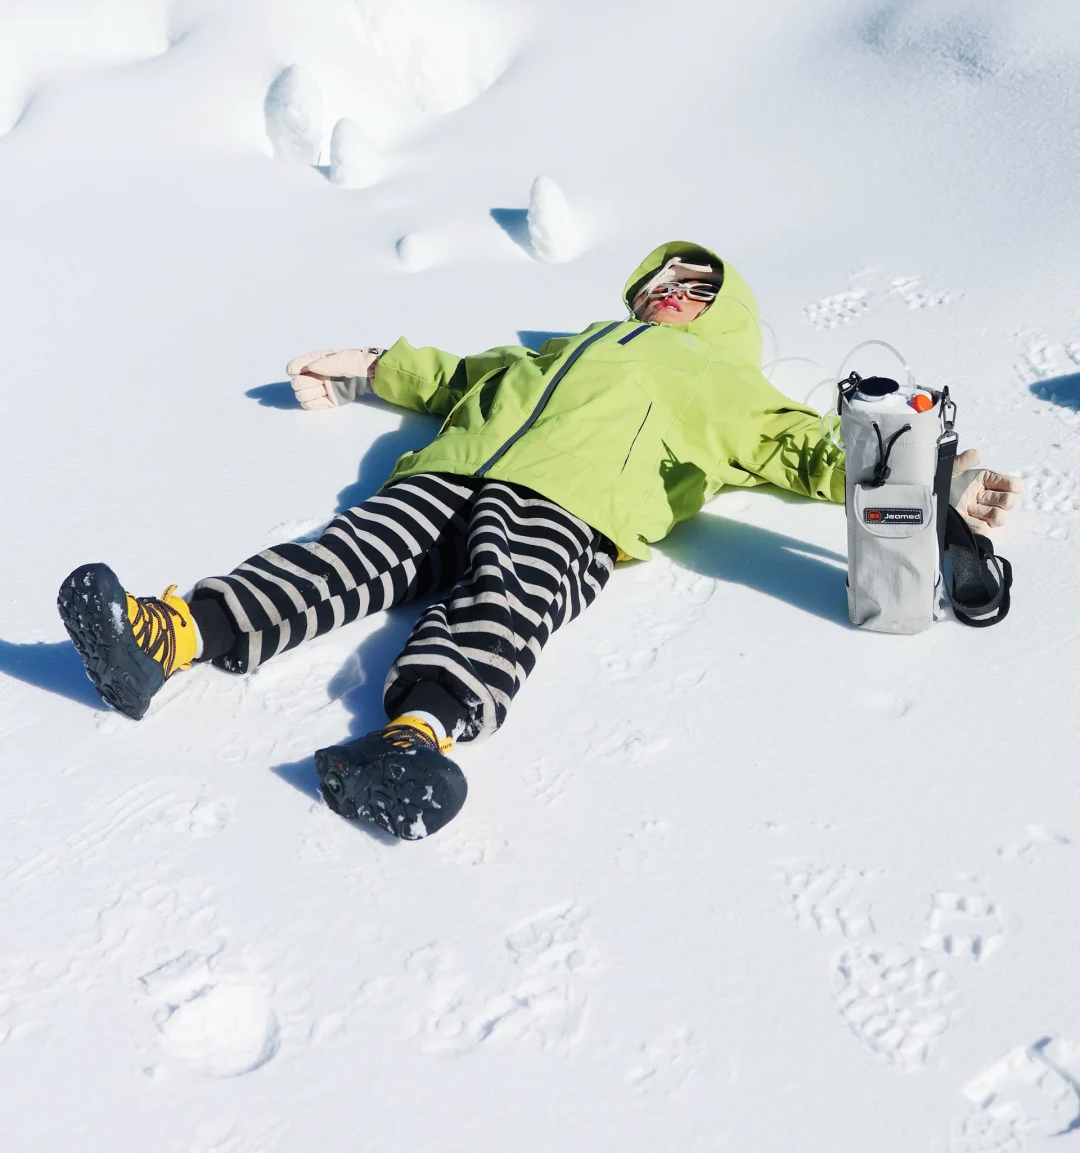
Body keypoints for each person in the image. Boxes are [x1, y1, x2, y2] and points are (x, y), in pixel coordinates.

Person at [57, 242, 1021, 840]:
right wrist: (371, 370)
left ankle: (411, 743)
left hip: (570, 509)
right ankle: (166, 636)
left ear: (723, 311)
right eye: (663, 278)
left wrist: (934, 478)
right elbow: (467, 375)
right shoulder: (575, 344)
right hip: (448, 473)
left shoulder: (718, 379)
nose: (671, 292)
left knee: (500, 602)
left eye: (696, 285)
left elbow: (799, 446)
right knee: (338, 556)